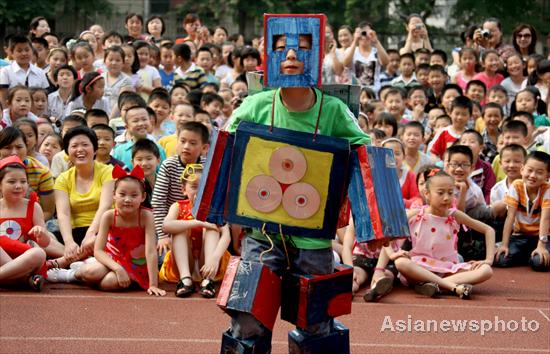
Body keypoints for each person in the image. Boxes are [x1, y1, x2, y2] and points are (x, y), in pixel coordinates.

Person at [221, 17, 371, 351]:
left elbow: (367, 158)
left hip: (313, 238)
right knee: (246, 319)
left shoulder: (334, 111)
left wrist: (375, 222)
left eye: (302, 47)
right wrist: (224, 215)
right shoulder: (255, 105)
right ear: (269, 55)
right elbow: (224, 156)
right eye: (280, 47)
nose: (290, 54)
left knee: (316, 321)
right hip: (261, 234)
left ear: (318, 53)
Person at [384, 169, 494, 299]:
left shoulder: (455, 215)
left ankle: (433, 285)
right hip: (419, 268)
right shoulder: (415, 214)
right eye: (440, 193)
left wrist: (488, 259)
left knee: (486, 270)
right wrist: (392, 254)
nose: (446, 198)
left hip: (447, 269)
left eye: (451, 193)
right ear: (427, 193)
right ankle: (452, 287)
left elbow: (489, 230)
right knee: (401, 263)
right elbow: (386, 233)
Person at [161, 165, 230, 298]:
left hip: (209, 262)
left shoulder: (214, 209)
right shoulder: (177, 206)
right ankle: (185, 279)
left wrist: (215, 259)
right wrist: (197, 222)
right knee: (178, 229)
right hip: (185, 261)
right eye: (194, 186)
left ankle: (208, 280)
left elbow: (226, 235)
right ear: (183, 190)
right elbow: (166, 226)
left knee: (212, 229)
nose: (200, 192)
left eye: (204, 187)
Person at [52, 126, 115, 269]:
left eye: (85, 145)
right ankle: (78, 258)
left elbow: (105, 206)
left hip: (102, 230)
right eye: (74, 146)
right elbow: (63, 213)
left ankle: (62, 262)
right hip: (75, 233)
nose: (80, 149)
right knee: (44, 237)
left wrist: (91, 234)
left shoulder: (108, 172)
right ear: (67, 152)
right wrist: (68, 242)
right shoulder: (63, 178)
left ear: (95, 149)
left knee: (99, 240)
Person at [152, 121, 209, 256]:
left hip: (200, 221)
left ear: (204, 148)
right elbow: (158, 203)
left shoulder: (208, 165)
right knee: (164, 255)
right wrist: (162, 235)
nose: (186, 146)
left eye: (193, 143)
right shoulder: (169, 165)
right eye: (182, 141)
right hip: (172, 222)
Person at [0, 156, 50, 291]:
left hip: (26, 261)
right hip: (3, 260)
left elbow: (45, 243)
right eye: (11, 181)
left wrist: (41, 233)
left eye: (23, 181)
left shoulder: (33, 207)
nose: (18, 186)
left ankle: (11, 278)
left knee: (39, 253)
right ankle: (23, 280)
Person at [495, 151, 550, 271]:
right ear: (522, 170)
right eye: (529, 170)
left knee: (539, 263)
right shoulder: (516, 185)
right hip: (520, 236)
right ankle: (526, 254)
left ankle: (531, 254)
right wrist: (504, 244)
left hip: (542, 236)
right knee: (501, 259)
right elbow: (510, 217)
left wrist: (541, 246)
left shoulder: (547, 189)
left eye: (539, 172)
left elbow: (545, 218)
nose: (533, 175)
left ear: (548, 175)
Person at [0, 127, 55, 220]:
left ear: (26, 147)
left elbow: (48, 211)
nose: (14, 152)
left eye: (19, 147)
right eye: (7, 148)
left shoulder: (42, 172)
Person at [341, 218, 395, 302]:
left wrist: (379, 270)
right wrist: (350, 270)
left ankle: (375, 290)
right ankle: (349, 288)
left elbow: (387, 246)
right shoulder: (356, 217)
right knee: (356, 275)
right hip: (363, 257)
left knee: (385, 276)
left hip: (385, 260)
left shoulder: (387, 213)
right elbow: (346, 247)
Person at [0, 35, 49, 106]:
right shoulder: (6, 71)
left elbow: (45, 94)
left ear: (32, 51)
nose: (24, 53)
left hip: (35, 113)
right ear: (11, 53)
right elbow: (3, 96)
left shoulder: (40, 72)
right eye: (19, 51)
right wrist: (6, 114)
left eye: (27, 50)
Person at [342, 21, 389, 93]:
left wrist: (376, 41)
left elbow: (386, 62)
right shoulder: (351, 50)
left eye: (367, 33)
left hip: (374, 93)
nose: (364, 36)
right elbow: (345, 63)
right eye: (362, 33)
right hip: (356, 93)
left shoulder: (376, 51)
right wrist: (355, 41)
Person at [458, 129, 496, 203]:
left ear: (481, 148)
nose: (467, 144)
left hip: (479, 205)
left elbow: (489, 191)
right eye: (463, 142)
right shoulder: (455, 166)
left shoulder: (486, 167)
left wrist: (484, 207)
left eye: (472, 142)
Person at [429, 96, 472, 160]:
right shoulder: (443, 132)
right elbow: (433, 152)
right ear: (450, 113)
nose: (460, 117)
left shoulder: (470, 135)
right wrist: (439, 164)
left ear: (470, 116)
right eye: (457, 114)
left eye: (464, 114)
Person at [382, 138, 420, 208]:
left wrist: (402, 202)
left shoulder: (410, 176)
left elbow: (417, 199)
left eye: (397, 154)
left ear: (404, 157)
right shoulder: (377, 176)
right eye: (388, 153)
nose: (393, 157)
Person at [102, 46, 133, 113]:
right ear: (104, 61)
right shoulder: (100, 78)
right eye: (110, 60)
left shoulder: (126, 80)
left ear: (123, 63)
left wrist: (110, 119)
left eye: (118, 60)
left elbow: (121, 101)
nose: (114, 63)